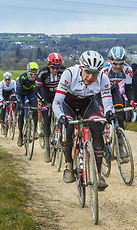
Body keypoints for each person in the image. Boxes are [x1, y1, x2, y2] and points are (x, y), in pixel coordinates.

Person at [52, 50, 116, 190]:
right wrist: (60, 116)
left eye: (95, 73)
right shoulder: (69, 74)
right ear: (81, 68)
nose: (91, 76)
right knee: (68, 129)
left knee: (97, 128)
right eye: (88, 71)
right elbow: (57, 102)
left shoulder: (103, 77)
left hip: (88, 103)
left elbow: (106, 99)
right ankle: (69, 165)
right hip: (68, 103)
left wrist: (109, 112)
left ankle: (98, 174)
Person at [35, 52, 66, 163]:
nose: (55, 70)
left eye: (57, 67)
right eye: (53, 67)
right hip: (46, 96)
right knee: (47, 119)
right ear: (48, 65)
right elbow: (37, 89)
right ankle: (47, 147)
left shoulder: (63, 71)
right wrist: (42, 100)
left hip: (58, 95)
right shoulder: (42, 72)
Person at [102, 46, 137, 129]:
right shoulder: (104, 69)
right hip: (100, 91)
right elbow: (96, 89)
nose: (118, 66)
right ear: (110, 62)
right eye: (115, 63)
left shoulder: (128, 69)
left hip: (114, 89)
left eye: (121, 63)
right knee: (102, 115)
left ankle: (120, 137)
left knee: (119, 114)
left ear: (124, 61)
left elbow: (128, 89)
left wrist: (132, 101)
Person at [16, 62, 39, 147]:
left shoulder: (37, 78)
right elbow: (17, 93)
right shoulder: (22, 78)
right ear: (28, 72)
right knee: (21, 113)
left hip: (30, 92)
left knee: (35, 108)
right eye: (31, 74)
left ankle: (35, 129)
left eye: (35, 74)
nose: (33, 76)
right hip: (20, 93)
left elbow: (39, 90)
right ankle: (20, 135)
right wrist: (20, 103)